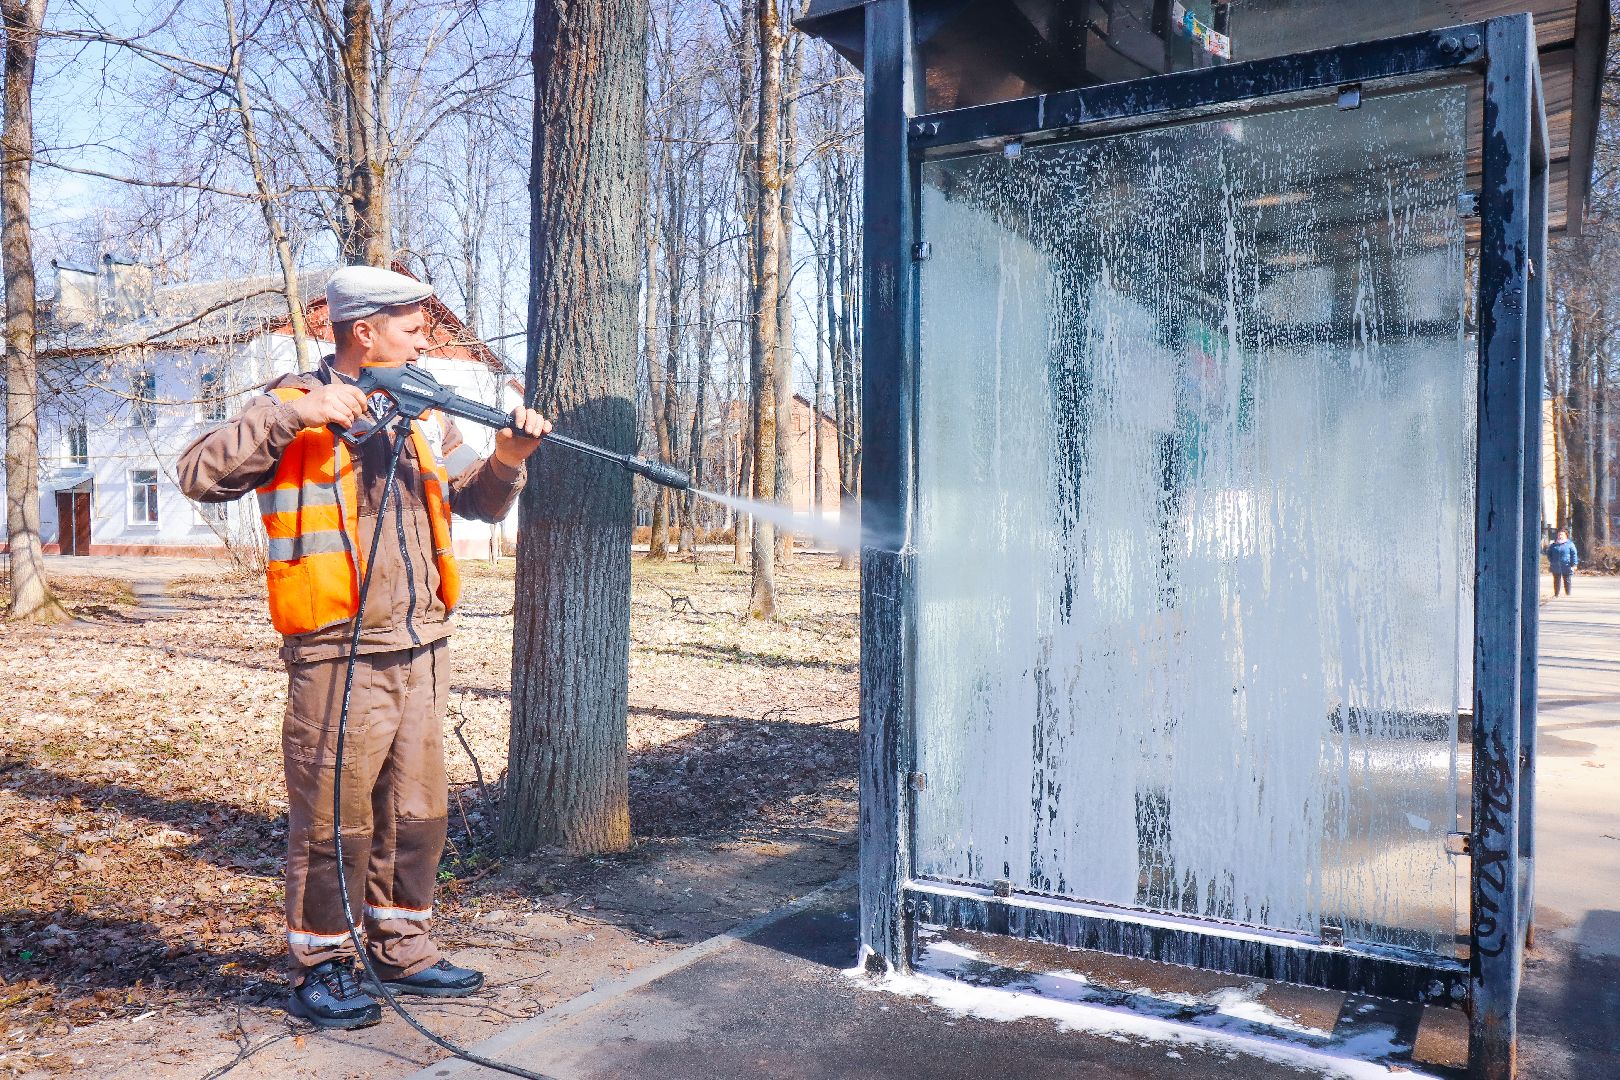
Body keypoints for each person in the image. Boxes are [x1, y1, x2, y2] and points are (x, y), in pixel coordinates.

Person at [178, 266, 551, 1029]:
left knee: (417, 814)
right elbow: (199, 473)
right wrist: (299, 417)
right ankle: (320, 966)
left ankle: (402, 947)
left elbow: (473, 497)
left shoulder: (422, 414)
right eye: (413, 331)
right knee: (333, 821)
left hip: (422, 644)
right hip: (335, 651)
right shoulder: (288, 405)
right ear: (363, 331)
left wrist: (509, 458)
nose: (424, 344)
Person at [1545, 529, 1579, 598]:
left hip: (1566, 565)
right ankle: (1556, 594)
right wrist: (1552, 560)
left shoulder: (1570, 544)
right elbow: (1549, 554)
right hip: (1555, 566)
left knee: (1567, 580)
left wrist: (1574, 564)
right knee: (1556, 580)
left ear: (1566, 536)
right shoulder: (1553, 545)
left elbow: (1574, 554)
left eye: (1562, 534)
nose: (1560, 536)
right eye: (1559, 535)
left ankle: (1568, 594)